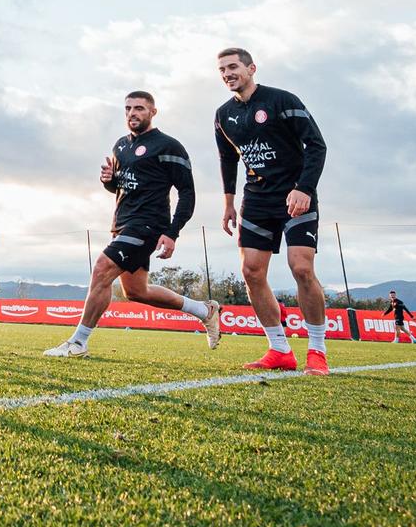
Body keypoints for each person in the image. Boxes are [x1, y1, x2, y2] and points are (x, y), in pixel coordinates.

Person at [45, 91, 218, 358]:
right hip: (122, 224)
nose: (132, 114)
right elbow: (119, 187)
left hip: (149, 225)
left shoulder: (168, 146)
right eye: (127, 109)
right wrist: (108, 181)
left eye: (138, 108)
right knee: (136, 291)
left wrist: (172, 232)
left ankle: (78, 342)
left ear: (152, 112)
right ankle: (204, 311)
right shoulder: (121, 146)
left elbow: (188, 193)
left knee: (102, 269)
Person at [213, 47, 330, 375]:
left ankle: (317, 351)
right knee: (251, 272)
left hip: (296, 197)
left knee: (302, 269)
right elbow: (227, 160)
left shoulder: (282, 100)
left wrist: (304, 188)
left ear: (251, 68)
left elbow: (316, 146)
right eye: (222, 69)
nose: (227, 73)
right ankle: (279, 349)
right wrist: (228, 204)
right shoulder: (223, 115)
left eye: (233, 67)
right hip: (257, 201)